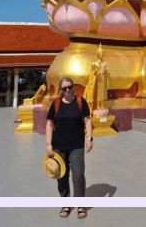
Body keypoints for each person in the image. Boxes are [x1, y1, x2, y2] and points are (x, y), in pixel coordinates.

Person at [46, 77, 93, 218]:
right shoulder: (56, 104)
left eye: (69, 87)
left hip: (76, 145)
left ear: (73, 88)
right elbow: (49, 123)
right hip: (58, 146)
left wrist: (89, 139)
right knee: (62, 176)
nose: (67, 90)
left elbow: (87, 120)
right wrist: (49, 144)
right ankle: (65, 203)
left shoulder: (80, 102)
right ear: (60, 90)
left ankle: (80, 205)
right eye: (64, 88)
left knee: (78, 175)